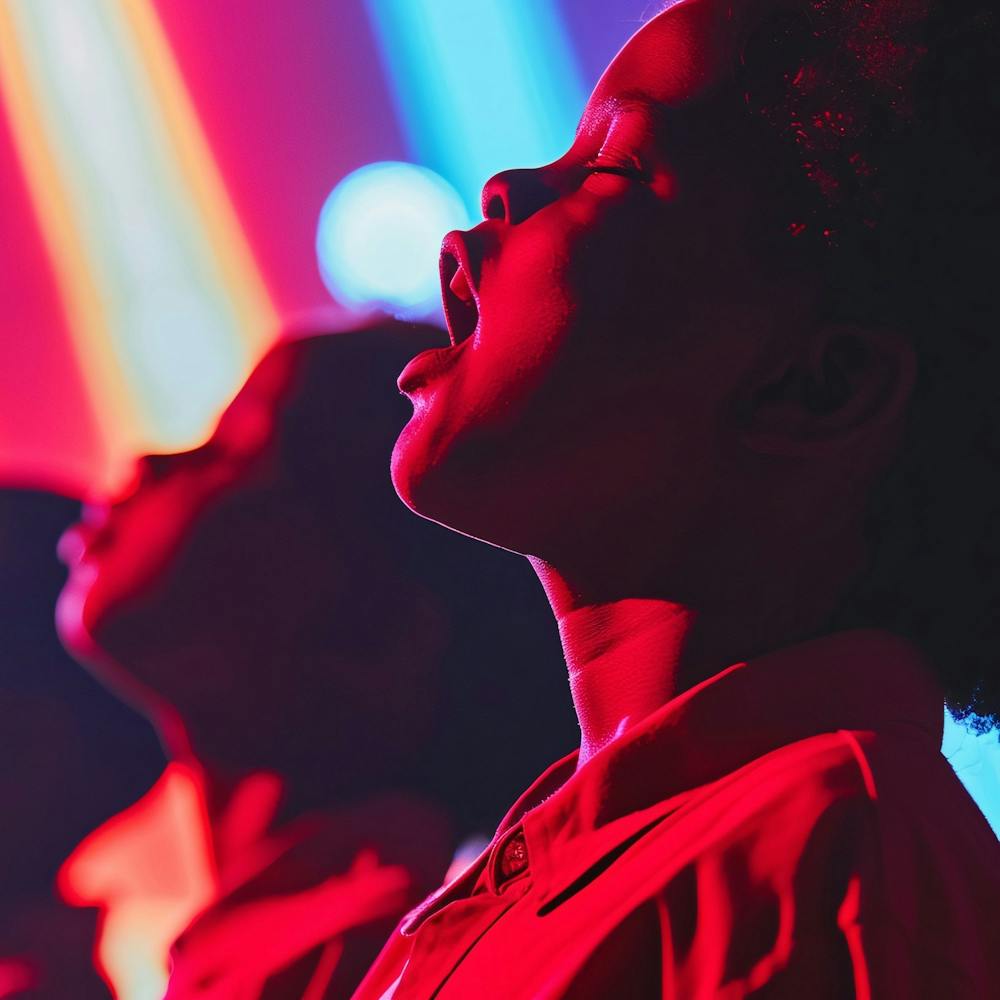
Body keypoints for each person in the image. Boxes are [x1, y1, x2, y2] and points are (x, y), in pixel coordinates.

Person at [354, 1, 1000, 997]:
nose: (502, 187)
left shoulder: (832, 855)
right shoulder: (544, 873)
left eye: (611, 166)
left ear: (816, 387)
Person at [55, 319, 571, 999]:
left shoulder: (370, 962)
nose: (151, 461)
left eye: (232, 453)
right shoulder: (274, 945)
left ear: (377, 626)